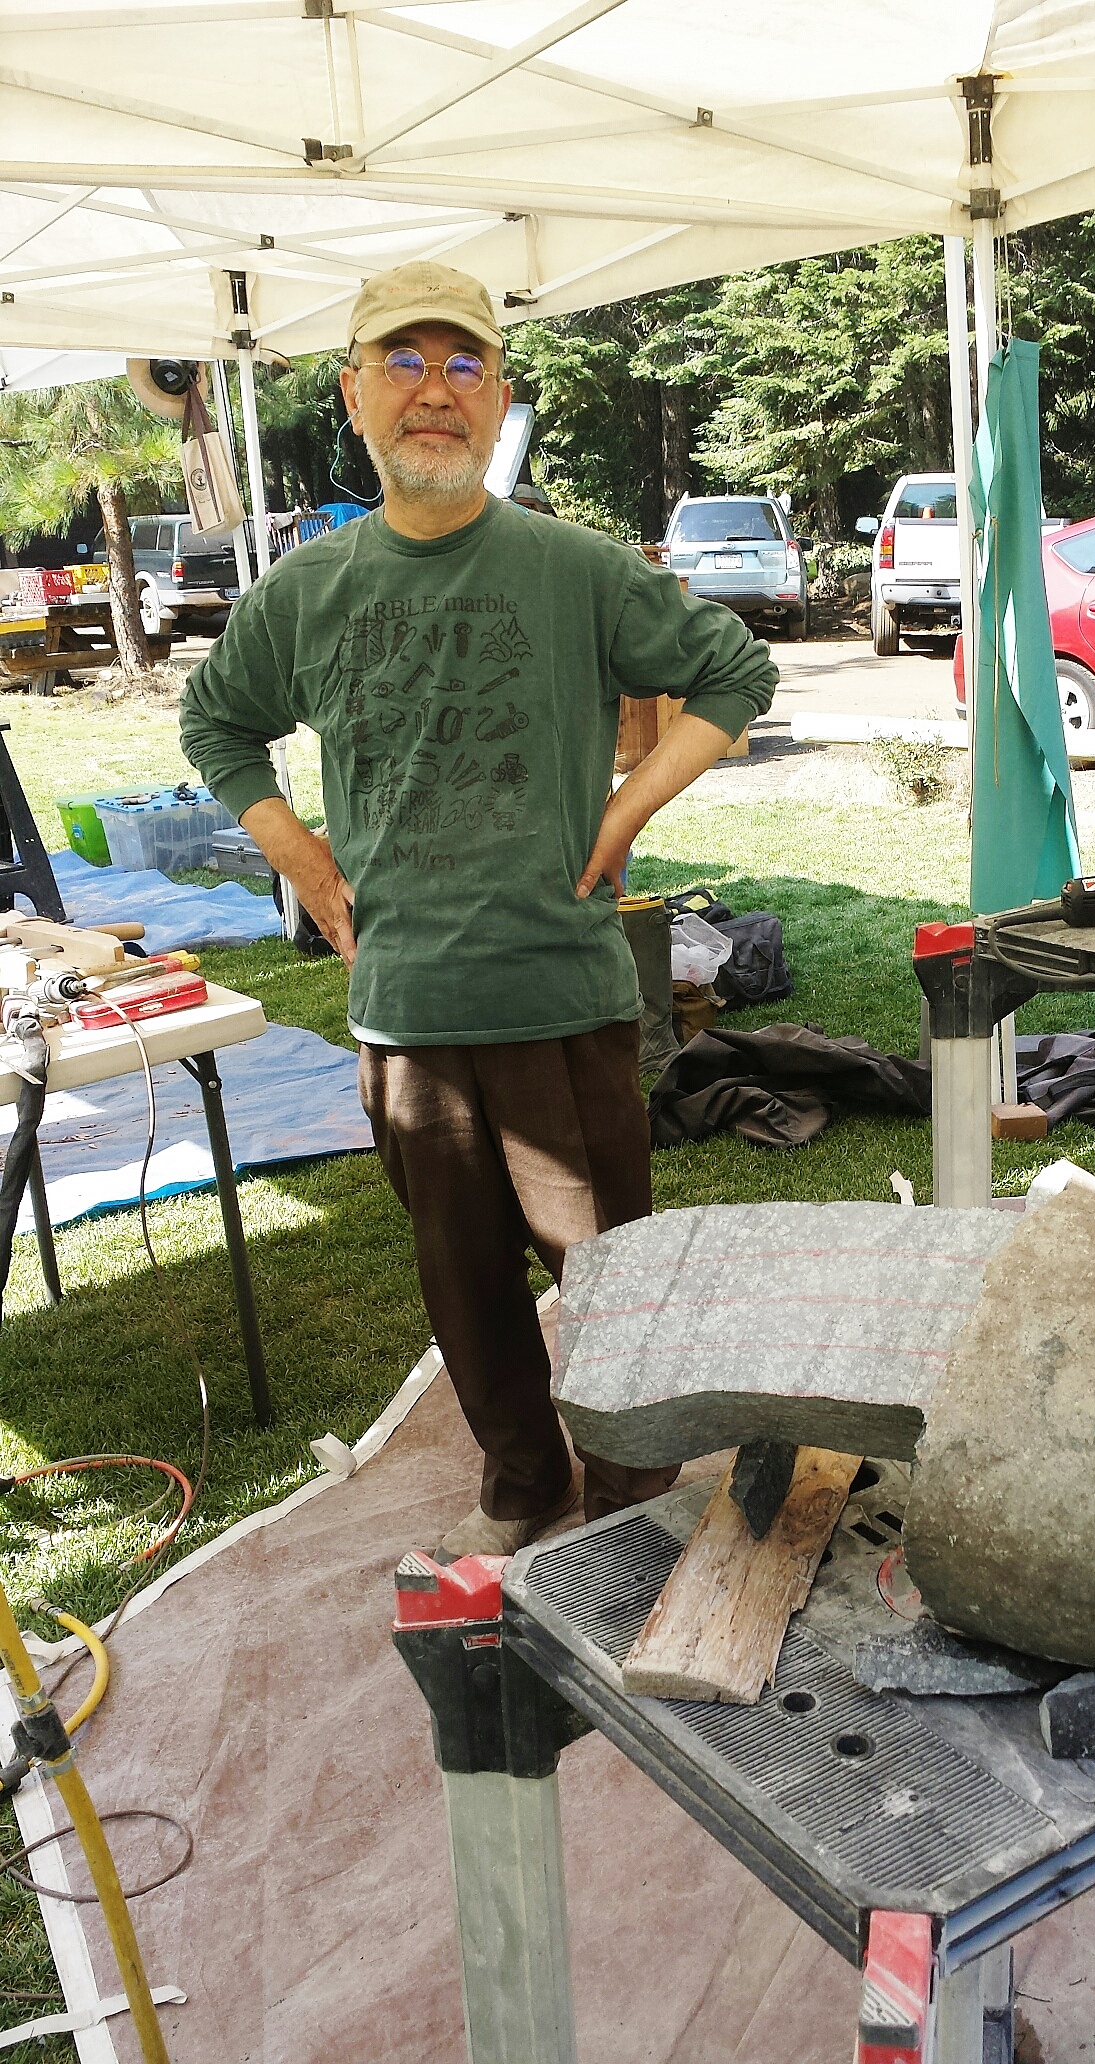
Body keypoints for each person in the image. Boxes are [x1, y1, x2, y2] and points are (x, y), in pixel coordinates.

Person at [181, 261, 777, 1557]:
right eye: (403, 362)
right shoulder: (307, 596)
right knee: (463, 1282)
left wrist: (623, 815)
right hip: (406, 1012)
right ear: (353, 394)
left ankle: (628, 1490)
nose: (434, 391)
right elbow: (216, 719)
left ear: (499, 391)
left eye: (463, 364)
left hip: (562, 998)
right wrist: (300, 856)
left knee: (609, 1277)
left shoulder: (571, 570)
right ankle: (521, 1483)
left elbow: (735, 670)